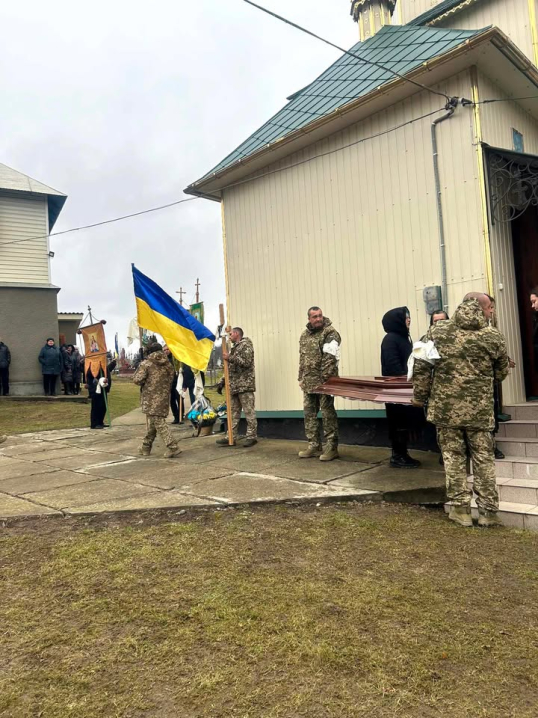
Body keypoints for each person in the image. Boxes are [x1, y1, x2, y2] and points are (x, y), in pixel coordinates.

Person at [412, 292, 509, 528]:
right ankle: (488, 512)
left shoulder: (438, 331)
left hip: (446, 410)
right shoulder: (492, 335)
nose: (491, 313)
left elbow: (422, 365)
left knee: (453, 458)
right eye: (490, 308)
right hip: (479, 411)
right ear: (481, 307)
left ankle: (461, 510)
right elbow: (502, 371)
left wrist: (419, 396)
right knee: (483, 459)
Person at [297, 306, 341, 461]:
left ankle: (331, 447)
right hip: (308, 382)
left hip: (325, 382)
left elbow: (330, 357)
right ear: (309, 319)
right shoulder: (304, 335)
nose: (318, 319)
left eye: (320, 316)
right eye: (314, 316)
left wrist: (326, 380)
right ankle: (314, 445)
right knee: (309, 414)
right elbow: (302, 359)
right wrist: (301, 378)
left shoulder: (330, 333)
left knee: (328, 414)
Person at [381, 307, 421, 468]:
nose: (409, 320)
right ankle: (398, 456)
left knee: (405, 422)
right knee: (398, 423)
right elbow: (392, 365)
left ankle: (402, 454)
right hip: (396, 390)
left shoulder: (404, 338)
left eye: (409, 317)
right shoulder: (391, 339)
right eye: (406, 317)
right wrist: (404, 378)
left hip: (404, 389)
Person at [133, 342, 181, 458]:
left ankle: (172, 446)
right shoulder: (168, 364)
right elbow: (171, 379)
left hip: (150, 397)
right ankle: (146, 446)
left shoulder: (147, 364)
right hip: (164, 396)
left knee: (158, 422)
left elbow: (137, 380)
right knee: (153, 423)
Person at [216, 327, 257, 447]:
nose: (229, 337)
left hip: (244, 385)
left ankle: (251, 436)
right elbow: (230, 369)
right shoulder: (234, 348)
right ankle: (231, 437)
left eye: (230, 334)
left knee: (249, 412)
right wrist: (222, 382)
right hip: (234, 386)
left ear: (236, 333)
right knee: (233, 413)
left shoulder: (246, 345)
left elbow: (247, 362)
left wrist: (230, 358)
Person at [86, 359, 116, 429]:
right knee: (96, 407)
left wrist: (113, 363)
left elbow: (107, 370)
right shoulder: (93, 366)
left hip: (103, 389)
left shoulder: (103, 366)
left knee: (103, 406)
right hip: (96, 390)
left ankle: (100, 422)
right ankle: (94, 423)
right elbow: (91, 376)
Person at [163, 347, 182, 425]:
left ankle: (181, 415)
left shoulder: (175, 358)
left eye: (167, 349)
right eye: (164, 350)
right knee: (172, 400)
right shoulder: (164, 361)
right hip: (169, 383)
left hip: (177, 382)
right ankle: (176, 416)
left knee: (179, 399)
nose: (166, 351)